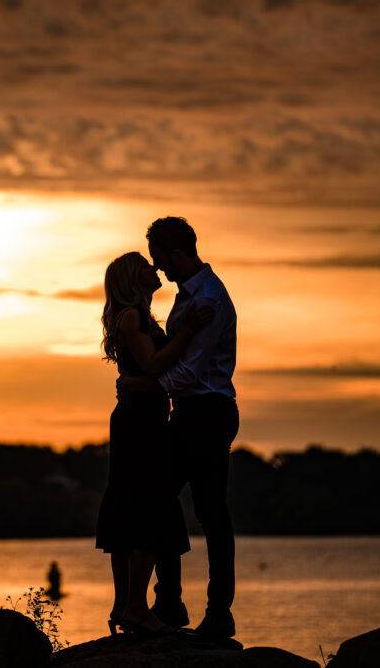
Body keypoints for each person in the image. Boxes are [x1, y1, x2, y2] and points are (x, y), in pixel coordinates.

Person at [120, 216, 239, 640]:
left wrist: (142, 383)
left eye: (161, 260)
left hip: (209, 411)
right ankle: (168, 603)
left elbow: (190, 371)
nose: (160, 270)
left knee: (210, 512)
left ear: (176, 253)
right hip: (187, 413)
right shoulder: (188, 296)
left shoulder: (209, 299)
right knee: (160, 502)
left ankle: (218, 614)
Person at [96, 251, 213, 636]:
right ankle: (133, 607)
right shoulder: (133, 317)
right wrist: (189, 330)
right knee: (148, 507)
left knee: (130, 505)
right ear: (134, 278)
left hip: (140, 417)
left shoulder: (136, 317)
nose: (154, 269)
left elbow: (147, 373)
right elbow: (154, 363)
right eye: (146, 267)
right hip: (139, 423)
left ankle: (125, 605)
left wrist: (141, 383)